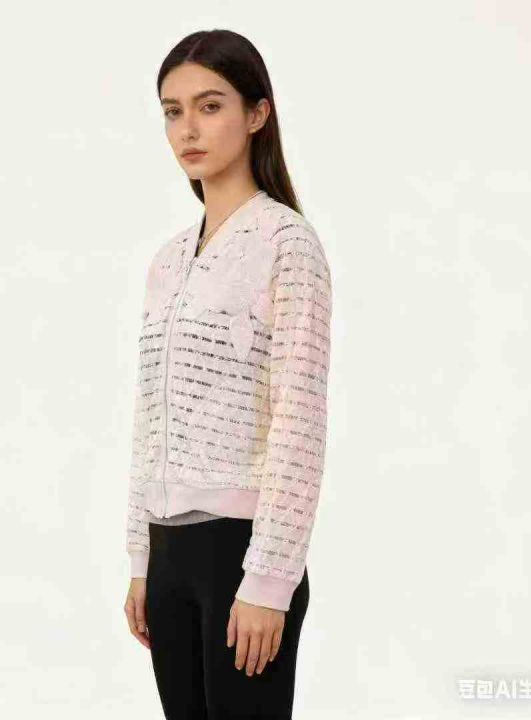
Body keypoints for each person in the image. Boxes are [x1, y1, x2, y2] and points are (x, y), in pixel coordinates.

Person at [123, 28, 332, 720]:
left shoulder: (286, 244)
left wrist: (269, 579)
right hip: (167, 552)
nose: (188, 128)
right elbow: (150, 418)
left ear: (257, 114)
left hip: (240, 551)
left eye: (210, 106)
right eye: (173, 111)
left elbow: (298, 420)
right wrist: (141, 560)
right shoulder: (167, 260)